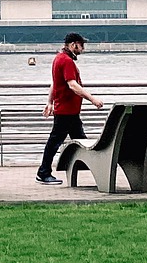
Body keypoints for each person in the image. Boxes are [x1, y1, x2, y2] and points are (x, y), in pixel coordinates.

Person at [36, 32, 103, 184]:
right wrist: (93, 99)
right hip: (66, 111)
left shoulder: (58, 58)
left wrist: (50, 102)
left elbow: (55, 83)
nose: (83, 49)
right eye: (81, 45)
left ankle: (94, 169)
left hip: (70, 111)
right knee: (55, 142)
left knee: (80, 140)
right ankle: (43, 172)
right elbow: (72, 85)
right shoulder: (66, 61)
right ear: (73, 45)